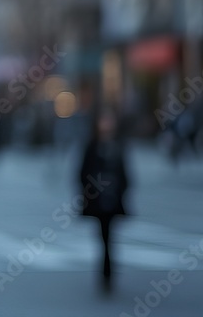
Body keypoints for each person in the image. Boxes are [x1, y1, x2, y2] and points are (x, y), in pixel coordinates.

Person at [79, 107, 130, 293]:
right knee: (102, 237)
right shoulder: (92, 147)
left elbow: (126, 174)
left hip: (113, 199)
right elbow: (82, 173)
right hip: (97, 200)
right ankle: (105, 272)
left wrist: (121, 191)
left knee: (110, 237)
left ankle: (108, 272)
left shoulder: (118, 146)